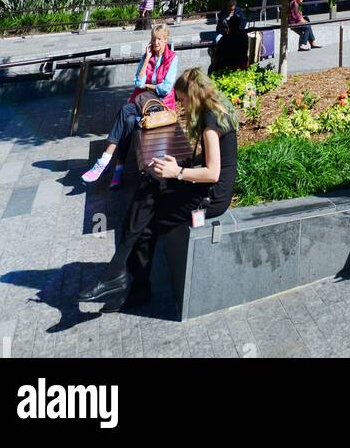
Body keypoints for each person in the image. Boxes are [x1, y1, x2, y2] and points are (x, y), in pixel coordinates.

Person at [81, 67, 239, 310]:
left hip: (210, 198)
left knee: (147, 223)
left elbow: (213, 172)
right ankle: (122, 276)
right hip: (207, 190)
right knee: (150, 185)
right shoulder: (217, 109)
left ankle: (123, 277)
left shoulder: (210, 122)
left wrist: (177, 172)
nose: (183, 106)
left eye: (183, 100)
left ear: (193, 94)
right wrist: (176, 168)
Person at [83, 23, 179, 190]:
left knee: (126, 117)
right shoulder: (146, 57)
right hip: (142, 101)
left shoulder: (173, 58)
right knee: (126, 118)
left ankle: (111, 166)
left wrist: (147, 86)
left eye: (159, 39)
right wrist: (148, 59)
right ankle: (108, 163)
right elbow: (137, 82)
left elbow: (165, 88)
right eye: (153, 39)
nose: (155, 42)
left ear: (165, 40)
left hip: (159, 106)